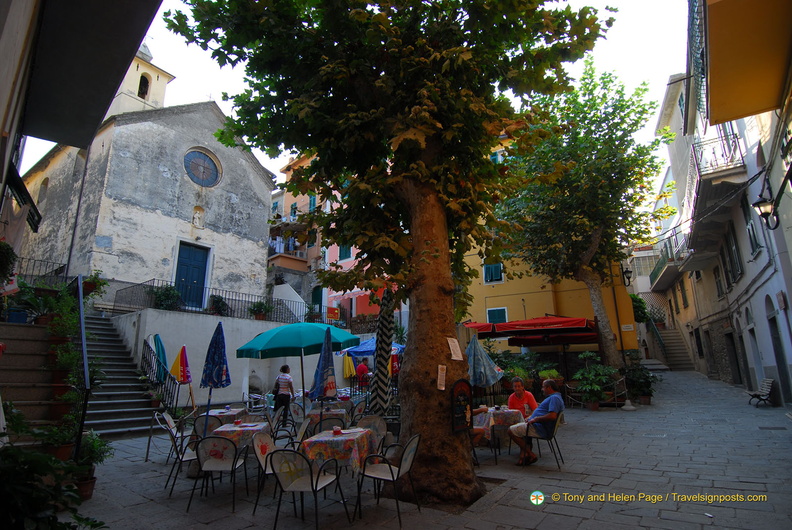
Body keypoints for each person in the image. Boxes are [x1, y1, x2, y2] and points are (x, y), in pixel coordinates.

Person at [508, 379, 565, 466]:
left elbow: (552, 416)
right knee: (520, 430)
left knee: (510, 431)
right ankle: (524, 455)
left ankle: (531, 454)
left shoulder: (554, 398)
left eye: (543, 387)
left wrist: (536, 419)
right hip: (537, 425)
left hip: (539, 428)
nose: (542, 389)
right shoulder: (555, 397)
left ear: (549, 388)